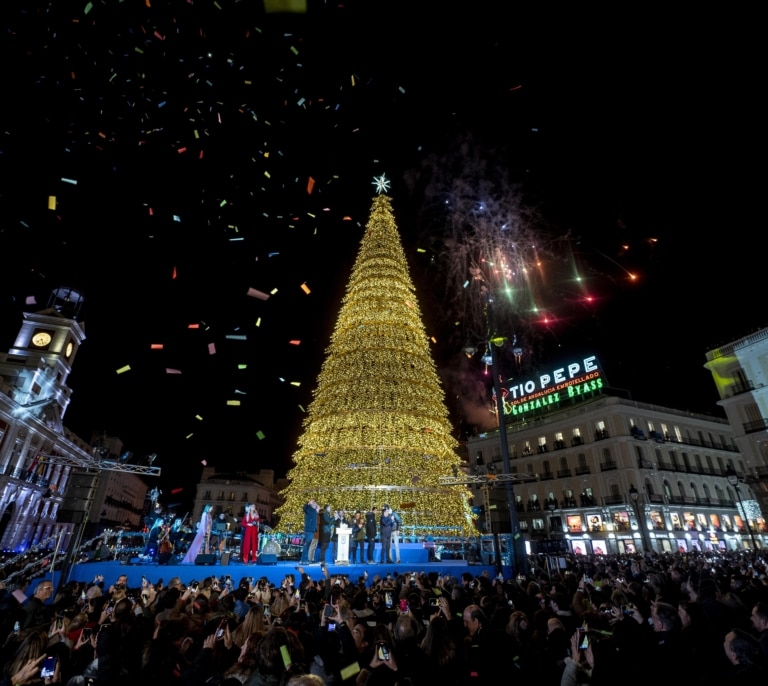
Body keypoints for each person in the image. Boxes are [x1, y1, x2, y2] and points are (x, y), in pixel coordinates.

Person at [301, 499, 320, 564]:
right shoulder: (308, 509)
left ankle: (304, 560)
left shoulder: (314, 511)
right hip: (309, 530)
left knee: (308, 545)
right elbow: (304, 507)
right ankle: (304, 560)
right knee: (307, 545)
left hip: (312, 530)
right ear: (311, 504)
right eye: (314, 504)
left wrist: (317, 508)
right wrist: (309, 503)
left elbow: (315, 519)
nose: (316, 505)